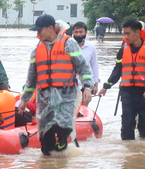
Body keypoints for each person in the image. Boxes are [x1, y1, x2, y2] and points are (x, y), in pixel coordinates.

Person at [18, 14, 94, 156]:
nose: (38, 33)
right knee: (46, 139)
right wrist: (24, 100)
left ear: (51, 28)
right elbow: (31, 79)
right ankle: (48, 160)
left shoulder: (69, 43)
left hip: (66, 96)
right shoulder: (36, 50)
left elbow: (84, 67)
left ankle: (63, 144)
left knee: (64, 127)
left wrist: (88, 87)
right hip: (45, 98)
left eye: (40, 30)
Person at [98, 19, 145, 140]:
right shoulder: (123, 49)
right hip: (127, 91)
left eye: (128, 33)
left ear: (138, 33)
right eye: (124, 33)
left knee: (144, 125)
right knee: (127, 122)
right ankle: (128, 153)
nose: (126, 36)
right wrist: (106, 86)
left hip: (143, 92)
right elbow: (117, 70)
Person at [73, 21, 100, 106]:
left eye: (81, 32)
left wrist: (96, 84)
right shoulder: (68, 47)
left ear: (86, 33)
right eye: (76, 32)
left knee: (84, 110)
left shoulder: (91, 48)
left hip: (86, 86)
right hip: (71, 86)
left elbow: (94, 66)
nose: (78, 34)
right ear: (72, 33)